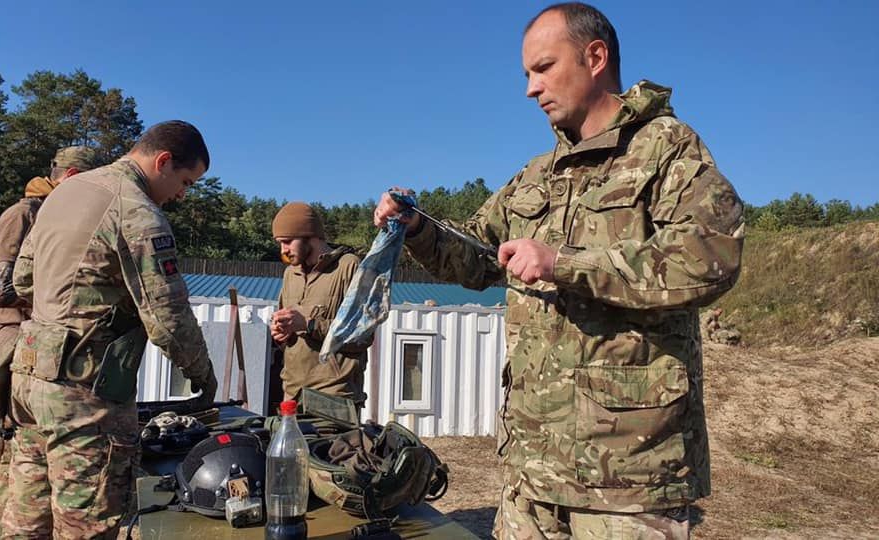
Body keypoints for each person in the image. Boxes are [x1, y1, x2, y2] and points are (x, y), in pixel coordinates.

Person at [373, 3, 744, 538]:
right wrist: (418, 228)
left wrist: (564, 264)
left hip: (628, 478)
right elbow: (480, 258)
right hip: (532, 471)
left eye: (543, 68)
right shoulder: (536, 176)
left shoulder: (666, 149)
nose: (530, 88)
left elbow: (710, 257)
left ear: (595, 58)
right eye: (527, 74)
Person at [0, 121, 218, 538]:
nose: (182, 195)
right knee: (88, 523)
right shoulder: (138, 212)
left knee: (25, 520)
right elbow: (168, 318)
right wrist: (202, 374)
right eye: (185, 182)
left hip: (28, 380)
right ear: (163, 161)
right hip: (85, 394)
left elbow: (22, 281)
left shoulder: (65, 194)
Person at [0, 145, 96, 540]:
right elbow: (2, 291)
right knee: (16, 477)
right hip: (17, 346)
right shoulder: (22, 215)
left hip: (40, 351)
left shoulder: (51, 214)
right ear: (74, 177)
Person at [270, 202, 368, 407]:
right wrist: (280, 333)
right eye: (279, 243)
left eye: (287, 242)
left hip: (334, 399)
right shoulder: (291, 273)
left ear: (310, 237)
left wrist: (309, 324)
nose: (283, 250)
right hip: (292, 394)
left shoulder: (349, 267)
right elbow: (287, 332)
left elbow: (362, 334)